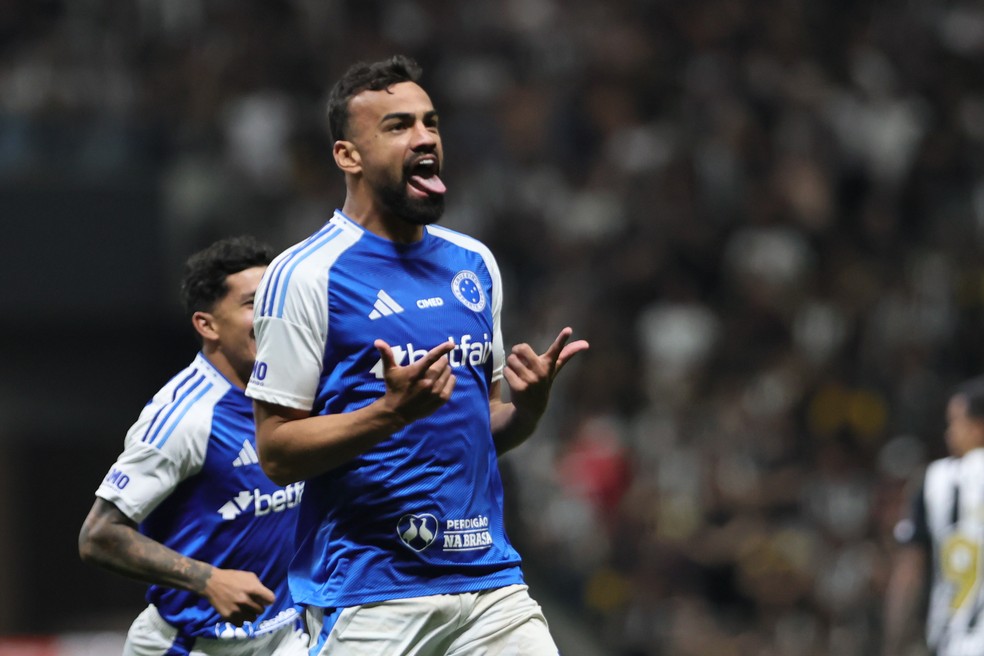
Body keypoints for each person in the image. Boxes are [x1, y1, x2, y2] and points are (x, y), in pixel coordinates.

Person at [244, 54, 590, 655]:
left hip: (489, 588)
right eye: (398, 126)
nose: (425, 137)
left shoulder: (473, 264)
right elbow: (276, 452)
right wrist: (390, 414)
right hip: (368, 593)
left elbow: (478, 427)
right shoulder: (304, 276)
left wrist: (529, 410)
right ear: (348, 156)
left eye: (430, 122)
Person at [79, 236, 308, 656]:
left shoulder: (296, 392)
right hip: (190, 646)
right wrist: (208, 579)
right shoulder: (185, 417)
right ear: (207, 325)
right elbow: (98, 536)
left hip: (285, 637)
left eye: (277, 301)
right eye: (253, 304)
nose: (272, 317)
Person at [883, 376, 984, 656]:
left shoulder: (935, 481)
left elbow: (908, 572)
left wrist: (893, 645)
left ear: (978, 427)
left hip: (954, 642)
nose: (948, 434)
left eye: (955, 423)